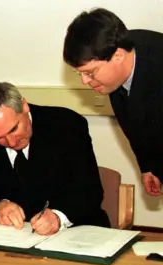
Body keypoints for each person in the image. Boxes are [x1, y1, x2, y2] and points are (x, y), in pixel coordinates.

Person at [0, 82, 110, 235]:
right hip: (14, 238)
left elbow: (90, 192)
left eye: (14, 129)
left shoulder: (66, 125)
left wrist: (58, 217)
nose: (11, 142)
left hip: (77, 232)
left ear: (24, 106)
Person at [63, 8, 163, 196]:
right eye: (80, 73)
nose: (84, 81)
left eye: (90, 72)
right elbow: (135, 123)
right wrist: (148, 166)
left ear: (118, 56)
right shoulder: (115, 57)